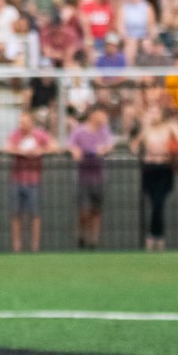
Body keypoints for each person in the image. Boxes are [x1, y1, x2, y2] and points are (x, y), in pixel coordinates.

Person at [133, 98, 178, 252]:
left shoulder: (171, 126)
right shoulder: (147, 128)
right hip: (149, 169)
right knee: (153, 203)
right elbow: (134, 146)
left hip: (165, 169)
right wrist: (144, 128)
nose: (153, 115)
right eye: (150, 112)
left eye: (155, 112)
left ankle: (154, 238)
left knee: (158, 203)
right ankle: (157, 237)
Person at [67, 105, 115, 249]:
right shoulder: (79, 130)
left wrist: (104, 149)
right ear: (92, 115)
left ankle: (93, 241)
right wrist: (75, 151)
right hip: (83, 175)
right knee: (84, 210)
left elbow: (110, 145)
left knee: (96, 210)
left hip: (98, 175)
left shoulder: (104, 130)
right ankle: (82, 236)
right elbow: (71, 145)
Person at [5, 111, 53, 253]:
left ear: (31, 123)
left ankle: (34, 246)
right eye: (21, 122)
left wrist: (40, 150)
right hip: (17, 179)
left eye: (25, 122)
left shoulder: (39, 135)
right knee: (16, 214)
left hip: (34, 180)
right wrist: (20, 151)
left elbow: (54, 146)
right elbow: (7, 147)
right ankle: (17, 247)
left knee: (35, 214)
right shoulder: (16, 135)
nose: (22, 125)